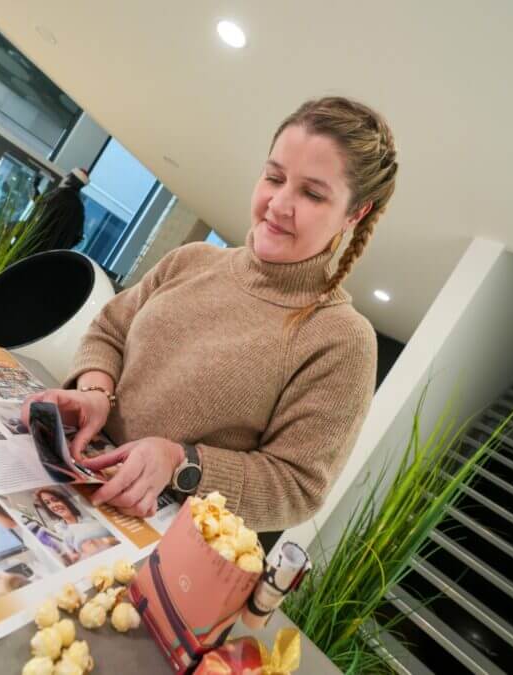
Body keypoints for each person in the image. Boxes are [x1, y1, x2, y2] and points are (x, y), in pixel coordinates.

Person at [22, 97, 397, 534]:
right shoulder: (192, 260)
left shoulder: (340, 338)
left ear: (355, 213)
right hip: (72, 477)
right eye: (274, 176)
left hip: (149, 537)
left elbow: (297, 489)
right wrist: (95, 394)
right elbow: (109, 330)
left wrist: (183, 462)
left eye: (312, 193)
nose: (278, 204)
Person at [33, 488, 118, 563]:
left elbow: (115, 538)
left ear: (65, 501)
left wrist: (104, 541)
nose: (53, 505)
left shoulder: (90, 520)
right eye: (48, 503)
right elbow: (72, 555)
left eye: (55, 500)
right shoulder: (60, 530)